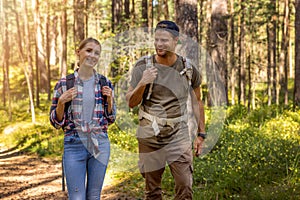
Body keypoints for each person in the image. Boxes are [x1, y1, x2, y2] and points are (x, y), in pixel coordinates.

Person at [125, 20, 206, 199]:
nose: (159, 44)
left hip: (178, 133)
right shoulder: (143, 66)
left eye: (164, 40)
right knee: (152, 190)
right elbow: (131, 102)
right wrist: (143, 82)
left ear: (176, 40)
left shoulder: (188, 68)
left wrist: (201, 134)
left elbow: (197, 102)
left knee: (185, 186)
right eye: (156, 40)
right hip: (149, 134)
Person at [50, 37, 116, 200]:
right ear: (78, 52)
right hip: (74, 144)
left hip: (99, 143)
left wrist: (110, 101)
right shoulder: (65, 83)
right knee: (77, 197)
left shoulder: (104, 82)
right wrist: (60, 103)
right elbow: (56, 122)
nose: (92, 55)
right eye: (89, 50)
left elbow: (111, 118)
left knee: (94, 196)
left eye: (97, 53)